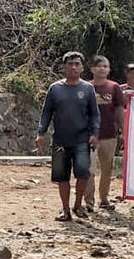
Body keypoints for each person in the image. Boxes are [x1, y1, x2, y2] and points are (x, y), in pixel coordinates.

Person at [36, 52, 99, 222]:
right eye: (70, 64)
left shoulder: (87, 89)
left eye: (77, 64)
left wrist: (95, 134)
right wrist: (41, 133)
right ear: (64, 67)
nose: (73, 67)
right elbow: (46, 112)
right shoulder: (55, 88)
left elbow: (94, 114)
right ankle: (65, 209)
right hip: (60, 140)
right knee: (61, 176)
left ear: (82, 67)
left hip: (82, 139)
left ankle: (78, 205)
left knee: (83, 175)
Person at [84, 56, 124, 212]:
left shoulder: (114, 87)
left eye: (105, 66)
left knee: (107, 169)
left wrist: (123, 131)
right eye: (99, 66)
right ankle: (88, 201)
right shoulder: (86, 87)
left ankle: (104, 198)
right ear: (92, 68)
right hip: (89, 135)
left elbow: (120, 110)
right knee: (89, 169)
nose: (102, 69)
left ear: (109, 69)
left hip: (109, 134)